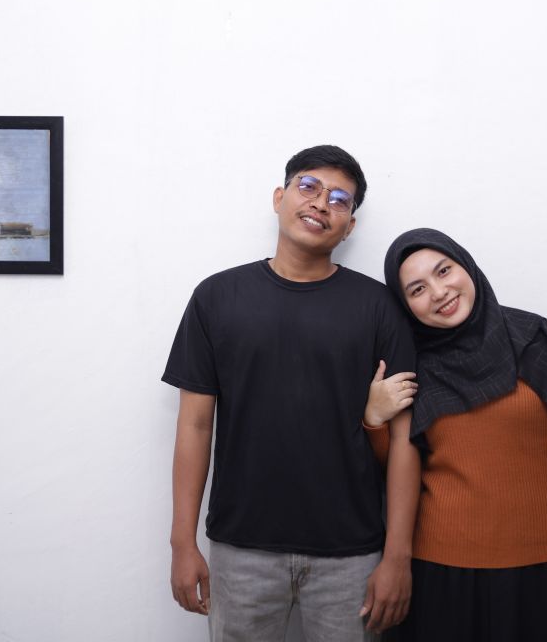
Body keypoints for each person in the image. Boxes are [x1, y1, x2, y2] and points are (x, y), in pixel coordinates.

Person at [163, 145, 422, 642]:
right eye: (309, 187)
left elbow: (406, 439)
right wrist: (181, 542)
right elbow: (194, 425)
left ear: (349, 226)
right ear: (279, 198)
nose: (322, 202)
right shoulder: (216, 297)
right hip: (241, 548)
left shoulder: (378, 307)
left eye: (340, 199)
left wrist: (397, 556)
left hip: (352, 552)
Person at [364, 228, 547, 641]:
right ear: (405, 305)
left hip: (537, 572)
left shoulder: (539, 341)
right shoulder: (413, 362)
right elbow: (398, 466)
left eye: (444, 271)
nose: (439, 292)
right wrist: (374, 419)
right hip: (437, 575)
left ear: (467, 266)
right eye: (418, 289)